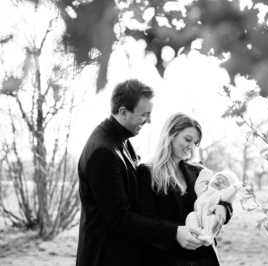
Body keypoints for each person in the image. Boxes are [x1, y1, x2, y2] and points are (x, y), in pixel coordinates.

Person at [76, 80, 205, 266]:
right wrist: (174, 232)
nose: (149, 120)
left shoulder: (121, 142)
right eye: (144, 114)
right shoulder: (102, 152)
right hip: (106, 256)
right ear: (123, 112)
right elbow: (120, 218)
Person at [138, 112, 233, 266]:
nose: (191, 147)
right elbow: (146, 217)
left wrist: (224, 209)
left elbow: (219, 196)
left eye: (195, 143)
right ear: (171, 134)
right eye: (188, 139)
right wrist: (175, 232)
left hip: (204, 258)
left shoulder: (198, 171)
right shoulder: (146, 172)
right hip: (167, 258)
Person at [186, 168, 243, 246]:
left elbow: (229, 195)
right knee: (191, 216)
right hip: (197, 214)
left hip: (209, 214)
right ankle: (195, 233)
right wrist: (207, 172)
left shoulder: (221, 194)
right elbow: (199, 184)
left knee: (213, 220)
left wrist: (235, 187)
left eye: (224, 183)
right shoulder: (205, 189)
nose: (219, 181)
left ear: (227, 188)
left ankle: (207, 236)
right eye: (218, 178)